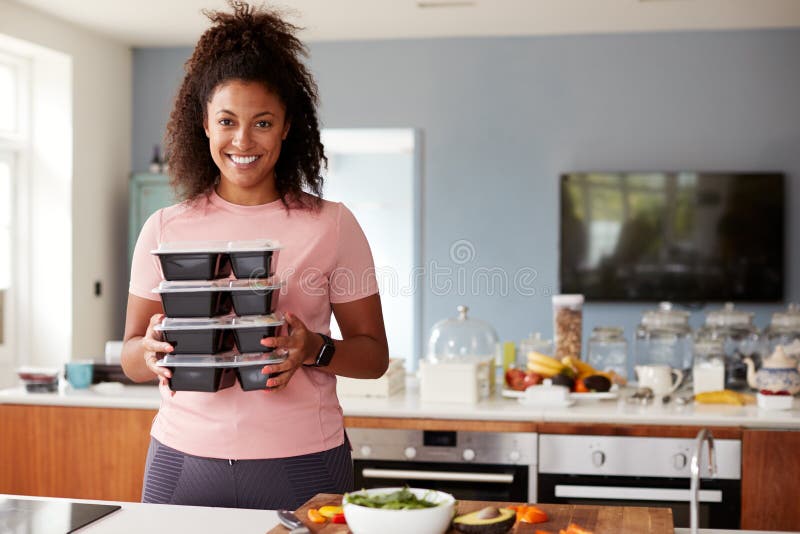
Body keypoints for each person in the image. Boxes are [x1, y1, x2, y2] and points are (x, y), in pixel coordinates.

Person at [122, 1, 389, 510]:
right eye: (227, 120)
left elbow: (374, 356)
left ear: (288, 126)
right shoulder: (164, 227)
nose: (242, 140)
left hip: (304, 465)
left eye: (262, 122)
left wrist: (314, 348)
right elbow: (131, 355)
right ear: (204, 124)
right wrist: (151, 349)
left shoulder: (332, 224)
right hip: (182, 464)